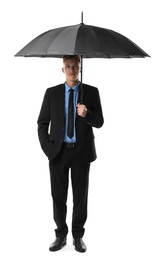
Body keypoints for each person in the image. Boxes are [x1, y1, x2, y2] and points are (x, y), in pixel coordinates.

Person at [37, 55, 104, 253]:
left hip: (82, 152)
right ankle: (60, 235)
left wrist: (87, 113)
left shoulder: (91, 92)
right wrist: (48, 148)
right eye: (68, 66)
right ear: (62, 69)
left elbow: (100, 121)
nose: (72, 70)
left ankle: (77, 236)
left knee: (80, 196)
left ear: (80, 68)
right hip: (58, 152)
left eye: (75, 66)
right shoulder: (52, 93)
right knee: (58, 196)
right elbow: (42, 124)